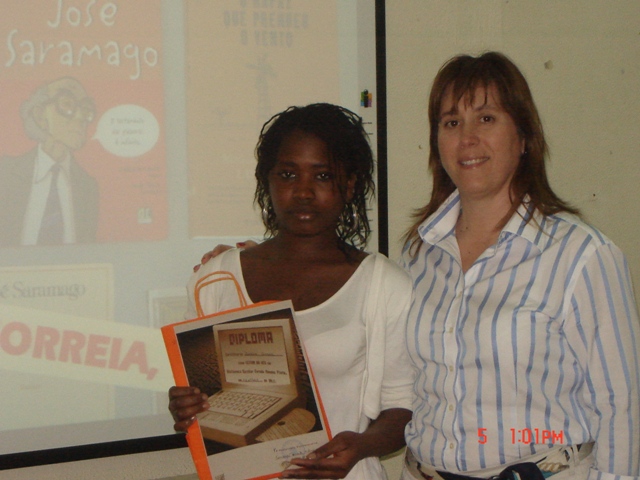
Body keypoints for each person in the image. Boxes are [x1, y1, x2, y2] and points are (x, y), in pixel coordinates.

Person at [400, 52, 639, 480]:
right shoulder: (420, 253)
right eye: (451, 122)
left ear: (524, 137)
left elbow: (623, 405)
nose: (467, 138)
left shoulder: (582, 255)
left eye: (486, 118)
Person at [169, 103, 414, 479]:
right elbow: (201, 402)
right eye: (287, 174)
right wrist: (186, 407)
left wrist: (362, 445)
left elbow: (403, 406)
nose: (303, 192)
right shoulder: (216, 279)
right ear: (266, 180)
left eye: (323, 176)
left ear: (349, 185)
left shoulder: (385, 285)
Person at [0, 76, 99, 246]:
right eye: (67, 104)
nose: (81, 117)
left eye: (86, 109)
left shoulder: (88, 187)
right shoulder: (5, 172)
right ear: (40, 116)